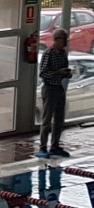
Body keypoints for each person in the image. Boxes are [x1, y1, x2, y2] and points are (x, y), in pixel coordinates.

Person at [37, 28, 72, 158]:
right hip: (49, 88)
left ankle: (55, 146)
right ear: (56, 40)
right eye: (64, 40)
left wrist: (67, 74)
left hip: (59, 87)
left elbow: (64, 69)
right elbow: (43, 73)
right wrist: (58, 73)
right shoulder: (49, 53)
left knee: (59, 119)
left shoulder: (63, 53)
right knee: (47, 119)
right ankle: (42, 147)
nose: (66, 43)